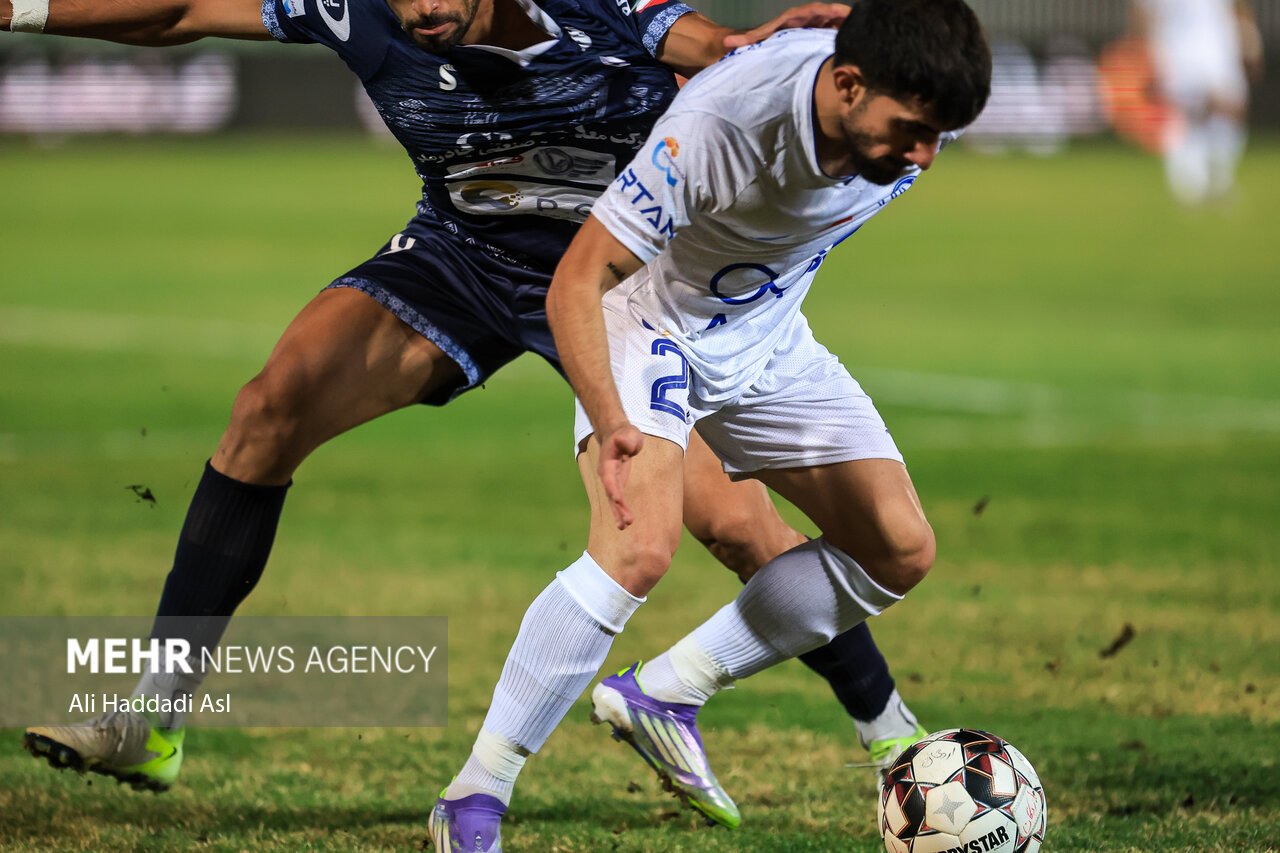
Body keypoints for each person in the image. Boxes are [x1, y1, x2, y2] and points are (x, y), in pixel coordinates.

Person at [5, 0, 927, 794]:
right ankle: (150, 721)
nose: (420, 9)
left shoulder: (590, 11)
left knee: (736, 527)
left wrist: (744, 47)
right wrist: (22, 10)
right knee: (265, 412)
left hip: (623, 286)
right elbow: (180, 12)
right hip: (463, 255)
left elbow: (707, 47)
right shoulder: (354, 10)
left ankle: (890, 735)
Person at [431, 0, 991, 848]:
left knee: (899, 547)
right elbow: (577, 281)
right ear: (846, 84)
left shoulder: (881, 91)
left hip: (765, 331)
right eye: (912, 130)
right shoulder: (724, 126)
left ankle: (668, 690)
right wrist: (612, 417)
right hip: (648, 319)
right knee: (637, 548)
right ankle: (475, 796)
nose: (923, 155)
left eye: (940, 134)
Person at [1131, 0, 1264, 205]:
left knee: (1231, 106)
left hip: (1220, 45)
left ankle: (1220, 177)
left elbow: (1239, 7)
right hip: (1178, 48)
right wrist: (1146, 53)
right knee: (1189, 112)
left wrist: (1250, 40)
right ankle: (1188, 179)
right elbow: (1143, 11)